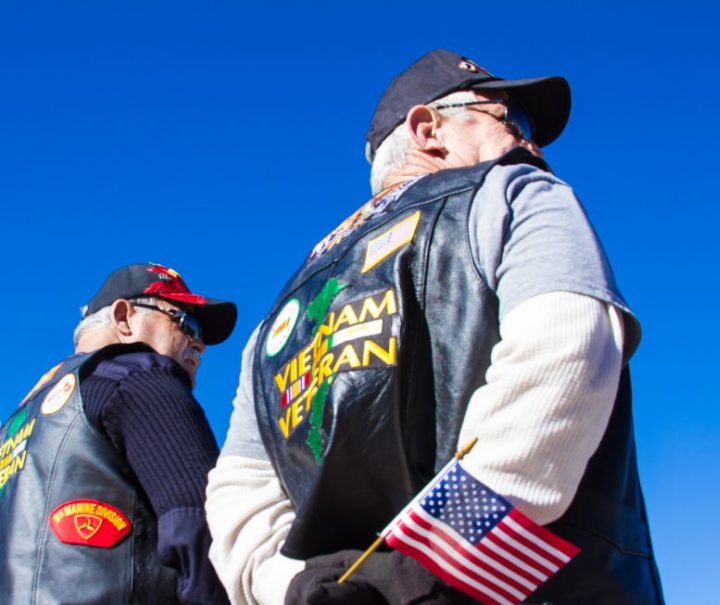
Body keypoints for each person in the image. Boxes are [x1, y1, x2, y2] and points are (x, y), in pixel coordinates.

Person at [206, 49, 664, 604]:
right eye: (511, 121)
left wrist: (299, 590)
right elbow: (565, 348)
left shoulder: (276, 322)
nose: (533, 144)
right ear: (429, 130)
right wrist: (436, 564)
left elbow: (239, 492)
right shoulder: (514, 193)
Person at [0, 262, 236, 604]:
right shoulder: (139, 375)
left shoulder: (14, 429)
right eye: (186, 322)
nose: (198, 345)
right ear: (124, 317)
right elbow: (199, 524)